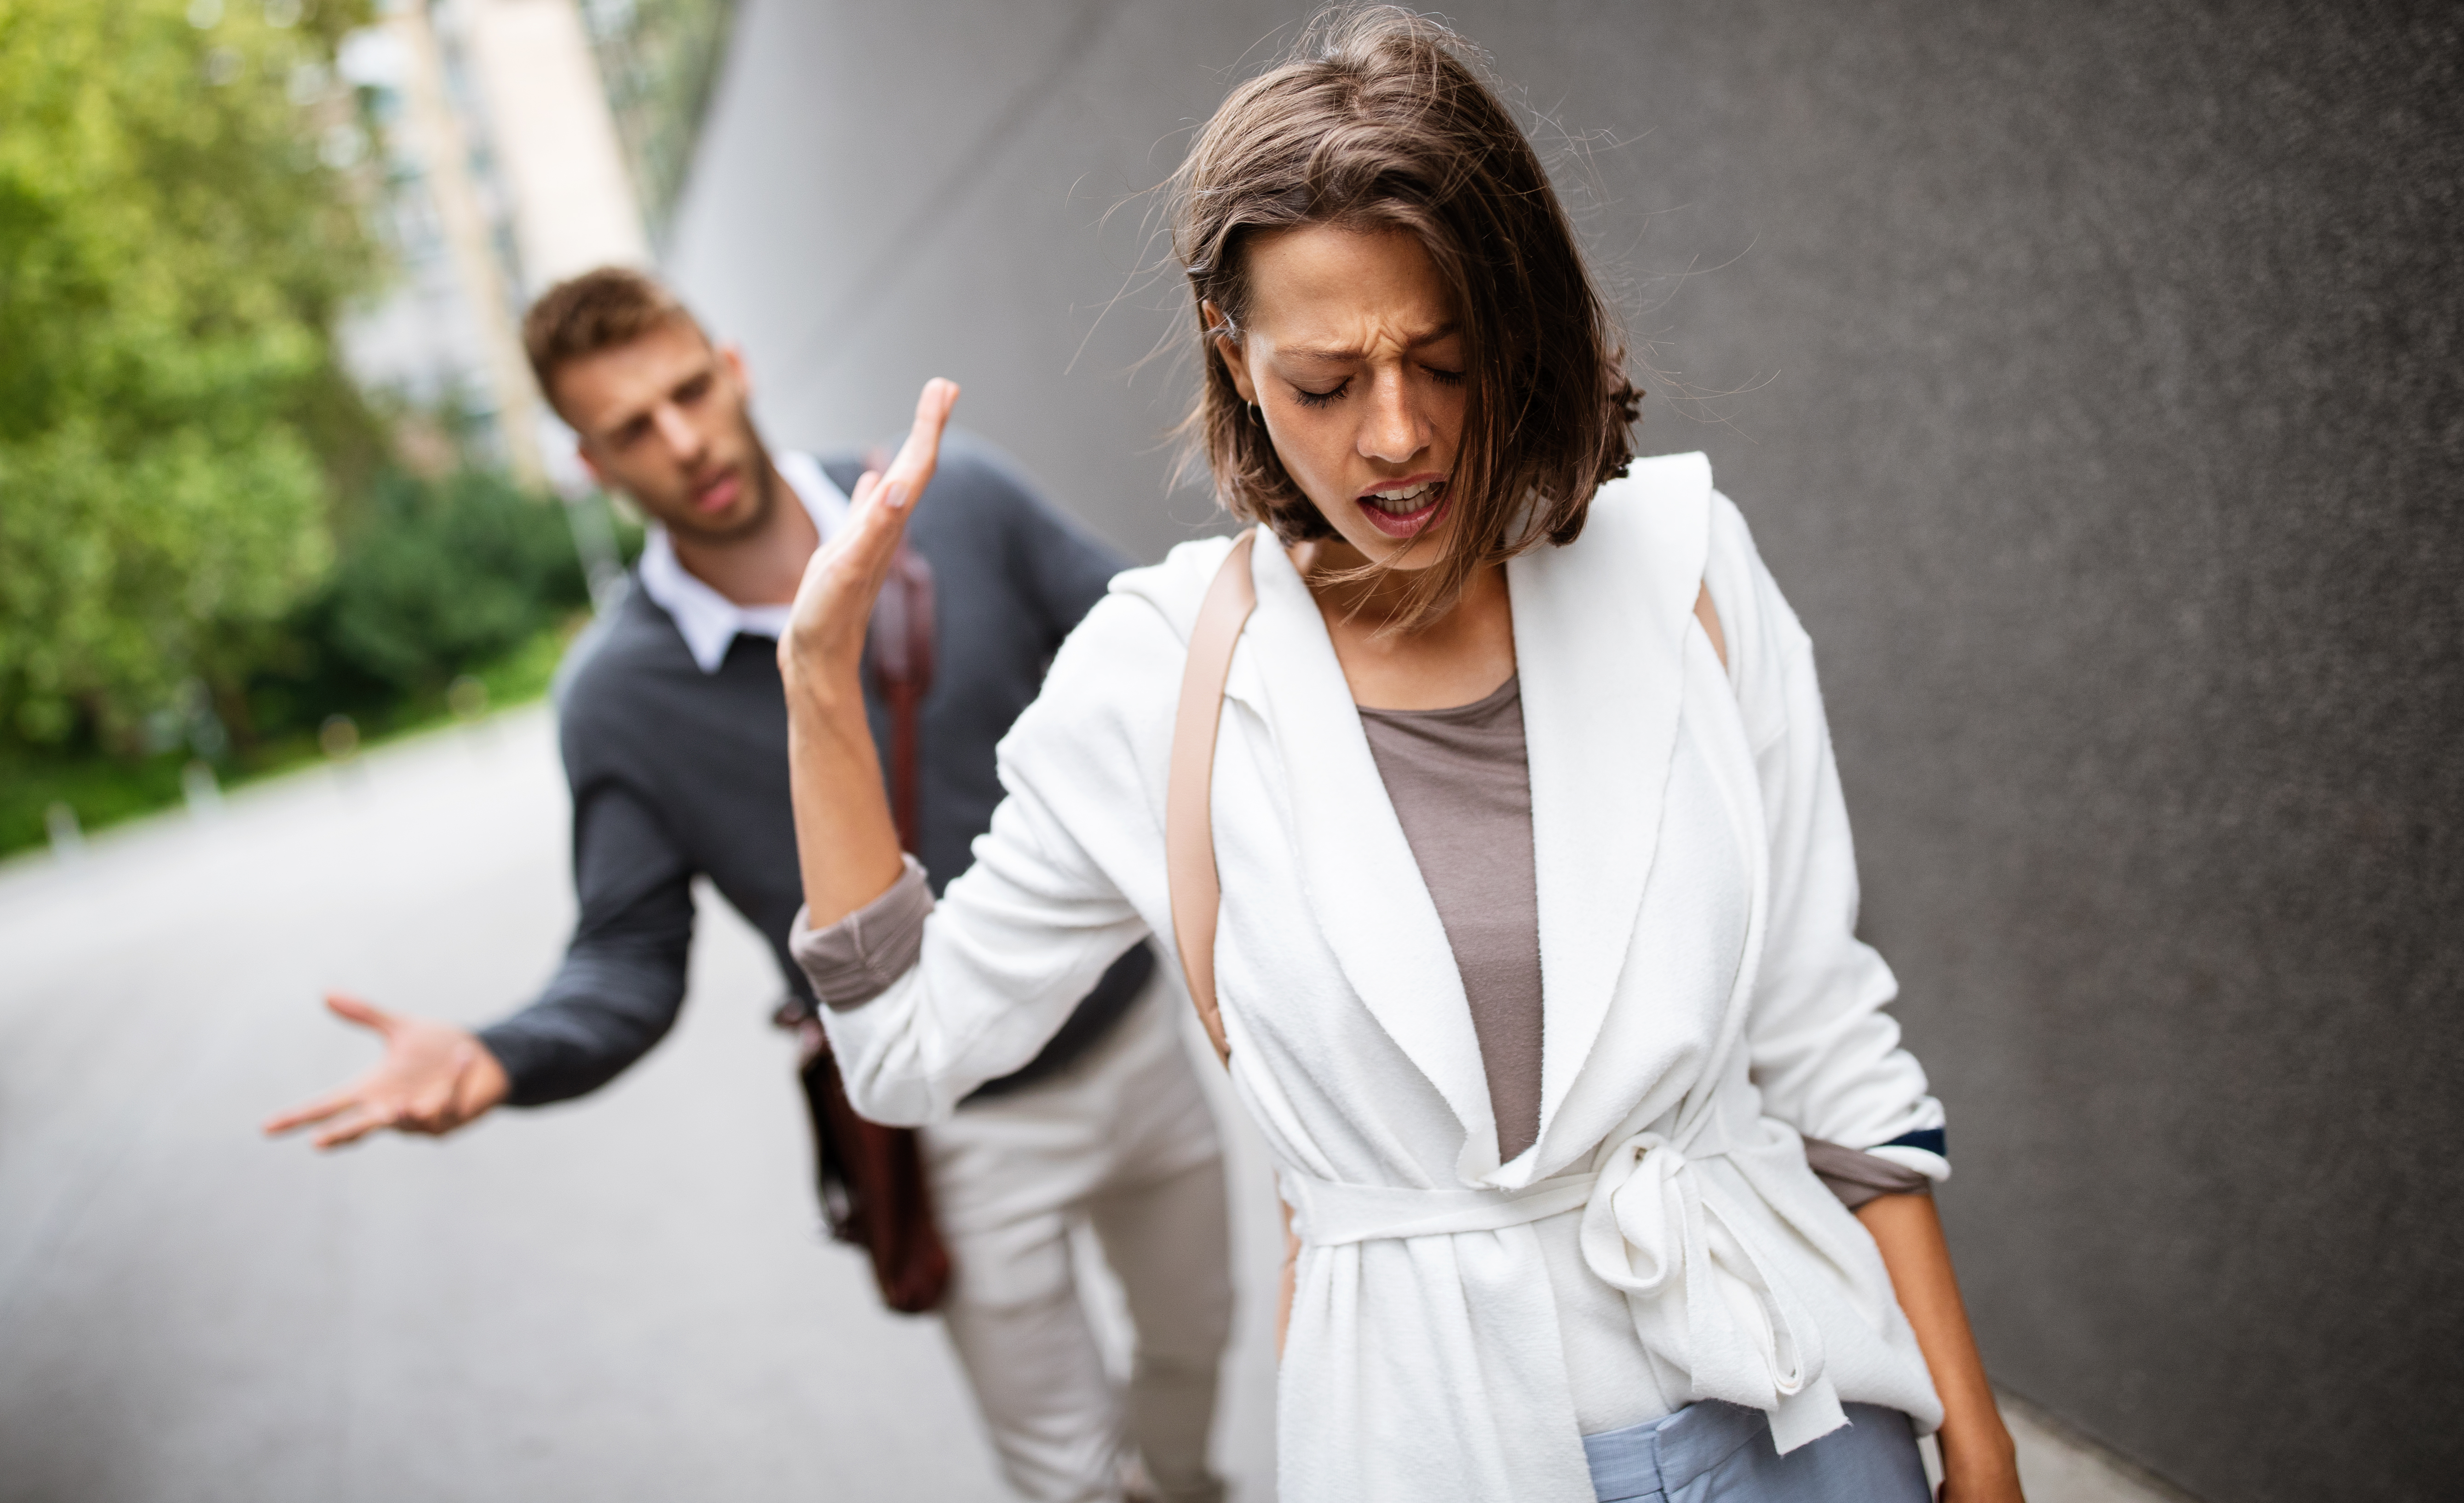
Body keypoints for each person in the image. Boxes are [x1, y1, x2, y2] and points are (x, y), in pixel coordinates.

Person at [773, 11, 2030, 1503]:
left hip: (1804, 1408)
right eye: (1324, 381)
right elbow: (908, 1049)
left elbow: (1825, 1032)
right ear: (1234, 361)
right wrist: (818, 685)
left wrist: (1976, 1428)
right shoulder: (1158, 671)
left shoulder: (1682, 564)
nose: (1396, 434)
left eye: (1442, 359)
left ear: (1515, 324)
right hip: (1438, 1444)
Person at [264, 269, 1234, 1503]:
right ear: (588, 463)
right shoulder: (620, 698)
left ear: (733, 367)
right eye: (630, 429)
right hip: (951, 1132)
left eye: (687, 392)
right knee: (1069, 1478)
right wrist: (502, 1054)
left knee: (1191, 1361)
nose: (681, 441)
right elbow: (625, 963)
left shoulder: (959, 500)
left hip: (1135, 1040)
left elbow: (1166, 665)